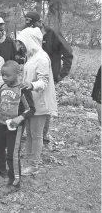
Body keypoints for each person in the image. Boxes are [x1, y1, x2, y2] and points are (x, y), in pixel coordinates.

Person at [24, 11, 73, 143]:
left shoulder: (54, 34)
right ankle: (31, 132)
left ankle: (43, 135)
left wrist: (61, 74)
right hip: (32, 74)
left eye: (32, 24)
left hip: (49, 76)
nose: (30, 28)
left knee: (44, 104)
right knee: (30, 100)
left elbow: (68, 53)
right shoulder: (29, 34)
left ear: (40, 22)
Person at [0, 60, 35, 192]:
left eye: (7, 75)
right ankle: (1, 167)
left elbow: (31, 109)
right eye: (2, 75)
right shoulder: (3, 87)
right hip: (2, 124)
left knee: (12, 155)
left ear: (17, 74)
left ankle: (15, 182)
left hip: (15, 128)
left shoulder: (23, 90)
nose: (4, 78)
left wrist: (20, 118)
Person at [16, 27, 57, 175]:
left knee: (36, 134)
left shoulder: (42, 58)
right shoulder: (31, 56)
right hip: (30, 102)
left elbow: (43, 81)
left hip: (40, 103)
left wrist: (31, 85)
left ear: (29, 41)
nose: (20, 46)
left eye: (21, 43)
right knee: (30, 134)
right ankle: (28, 160)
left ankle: (34, 165)